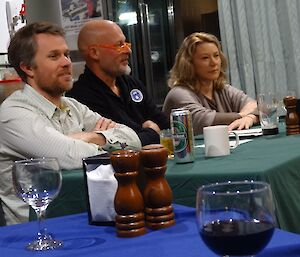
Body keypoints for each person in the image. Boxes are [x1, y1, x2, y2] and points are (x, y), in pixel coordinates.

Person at [0, 21, 141, 225]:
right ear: (28, 68)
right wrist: (97, 143)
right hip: (36, 234)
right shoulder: (12, 114)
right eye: (54, 56)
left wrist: (92, 137)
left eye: (66, 54)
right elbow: (70, 157)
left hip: (84, 220)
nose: (66, 62)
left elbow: (133, 140)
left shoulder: (73, 106)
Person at [66, 20, 169, 146]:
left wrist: (144, 134)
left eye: (126, 43)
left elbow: (165, 125)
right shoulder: (81, 96)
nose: (128, 50)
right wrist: (151, 132)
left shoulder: (132, 84)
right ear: (94, 53)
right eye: (119, 45)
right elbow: (120, 143)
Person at [162, 32, 259, 135]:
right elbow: (203, 120)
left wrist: (250, 117)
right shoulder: (178, 93)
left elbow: (256, 106)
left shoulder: (222, 89)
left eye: (216, 56)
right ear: (189, 63)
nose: (214, 63)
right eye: (205, 58)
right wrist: (242, 115)